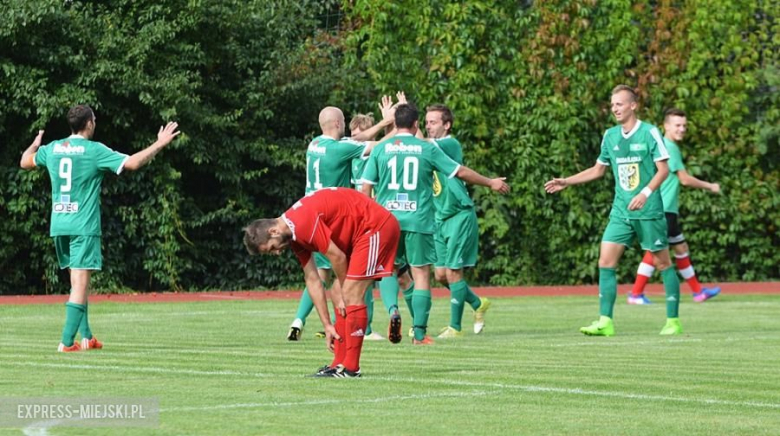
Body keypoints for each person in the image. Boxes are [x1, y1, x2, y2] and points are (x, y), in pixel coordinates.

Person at [19, 104, 180, 352]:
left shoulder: (52, 149)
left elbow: (24, 161)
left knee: (77, 282)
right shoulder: (94, 150)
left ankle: (87, 337)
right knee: (81, 283)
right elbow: (133, 163)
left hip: (60, 223)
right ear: (89, 124)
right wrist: (160, 143)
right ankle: (65, 342)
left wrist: (36, 143)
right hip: (83, 225)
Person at [361, 103, 510, 345]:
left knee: (388, 269)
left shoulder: (381, 149)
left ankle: (392, 311)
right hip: (419, 220)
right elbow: (459, 172)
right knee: (420, 274)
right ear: (417, 124)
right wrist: (490, 182)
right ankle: (419, 334)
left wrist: (367, 219)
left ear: (394, 124)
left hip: (387, 220)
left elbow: (365, 186)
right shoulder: (425, 148)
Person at [544, 85, 683, 336]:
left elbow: (663, 170)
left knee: (663, 263)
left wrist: (644, 193)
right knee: (605, 261)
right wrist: (567, 181)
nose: (614, 109)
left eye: (619, 104)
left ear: (633, 105)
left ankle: (673, 321)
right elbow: (598, 170)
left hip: (648, 211)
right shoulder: (610, 136)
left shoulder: (650, 132)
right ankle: (605, 321)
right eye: (612, 105)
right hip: (621, 211)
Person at [244, 188, 401, 378]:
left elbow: (337, 257)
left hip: (376, 226)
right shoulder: (293, 234)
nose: (277, 253)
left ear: (274, 231)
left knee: (349, 293)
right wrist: (327, 324)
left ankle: (351, 368)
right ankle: (339, 363)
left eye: (272, 248)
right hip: (361, 234)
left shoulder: (301, 223)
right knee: (336, 292)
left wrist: (345, 291)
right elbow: (312, 279)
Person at [287, 98, 396, 342]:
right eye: (344, 122)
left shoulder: (315, 144)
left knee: (318, 274)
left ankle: (299, 320)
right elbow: (376, 147)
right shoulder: (339, 149)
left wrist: (383, 121)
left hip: (308, 217)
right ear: (337, 123)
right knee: (355, 271)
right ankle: (356, 327)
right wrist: (399, 131)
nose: (346, 125)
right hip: (332, 218)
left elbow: (355, 140)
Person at [628, 108, 722, 304]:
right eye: (677, 125)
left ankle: (698, 292)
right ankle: (635, 294)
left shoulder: (661, 145)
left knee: (680, 248)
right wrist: (710, 186)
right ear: (666, 126)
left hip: (666, 209)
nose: (682, 129)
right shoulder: (669, 147)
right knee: (654, 251)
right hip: (663, 209)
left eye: (684, 126)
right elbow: (685, 179)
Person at [424, 104, 491, 338]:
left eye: (433, 122)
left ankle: (455, 327)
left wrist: (402, 117)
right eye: (426, 121)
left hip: (459, 214)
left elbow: (422, 143)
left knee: (454, 272)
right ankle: (477, 303)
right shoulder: (428, 148)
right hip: (440, 218)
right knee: (441, 275)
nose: (428, 126)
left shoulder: (450, 143)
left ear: (447, 125)